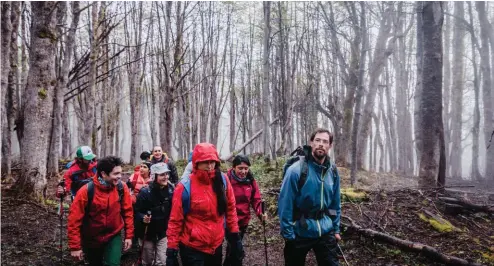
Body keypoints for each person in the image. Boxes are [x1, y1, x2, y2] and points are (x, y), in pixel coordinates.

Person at [165, 143, 244, 266]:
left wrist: (235, 237)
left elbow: (230, 210)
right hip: (192, 248)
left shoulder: (223, 180)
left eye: (212, 161)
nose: (210, 165)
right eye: (205, 162)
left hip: (216, 245)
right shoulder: (184, 187)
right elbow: (175, 221)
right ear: (196, 163)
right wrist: (171, 250)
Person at [278, 128, 341, 266]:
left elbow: (335, 204)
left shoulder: (333, 172)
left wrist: (335, 228)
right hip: (300, 229)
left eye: (325, 141)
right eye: (317, 140)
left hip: (325, 229)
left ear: (330, 146)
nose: (321, 144)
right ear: (311, 142)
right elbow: (285, 203)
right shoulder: (296, 170)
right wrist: (288, 234)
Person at [67, 156, 134, 266]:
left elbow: (128, 212)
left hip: (114, 235)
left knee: (113, 263)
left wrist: (128, 236)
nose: (119, 177)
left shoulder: (122, 188)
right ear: (103, 174)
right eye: (115, 174)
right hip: (91, 238)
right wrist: (75, 247)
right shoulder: (86, 191)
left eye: (120, 173)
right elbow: (74, 220)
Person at [223, 154, 267, 266]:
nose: (243, 171)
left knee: (232, 250)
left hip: (243, 221)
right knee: (238, 251)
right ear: (234, 167)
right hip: (229, 221)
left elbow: (256, 199)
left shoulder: (250, 181)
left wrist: (261, 213)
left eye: (246, 168)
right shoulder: (226, 179)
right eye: (240, 168)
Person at [134, 162, 174, 266]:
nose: (166, 177)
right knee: (147, 261)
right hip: (146, 232)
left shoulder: (171, 190)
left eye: (167, 174)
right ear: (154, 176)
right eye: (162, 175)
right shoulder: (145, 192)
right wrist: (143, 217)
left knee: (161, 261)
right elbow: (136, 211)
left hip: (163, 232)